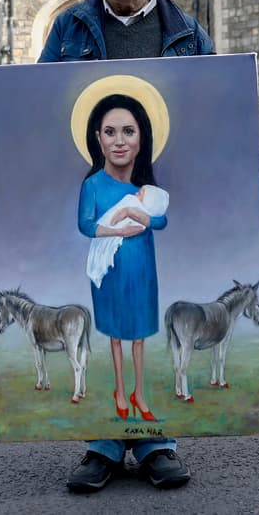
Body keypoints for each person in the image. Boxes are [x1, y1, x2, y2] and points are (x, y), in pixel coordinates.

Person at [39, 0, 210, 493]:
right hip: (108, 261)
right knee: (113, 333)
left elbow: (209, 115)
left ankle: (158, 440)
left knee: (144, 332)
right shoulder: (68, 29)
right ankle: (104, 442)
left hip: (148, 257)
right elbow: (39, 105)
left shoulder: (187, 33)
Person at [78, 95, 167, 423]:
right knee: (116, 334)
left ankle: (138, 393)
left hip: (142, 269)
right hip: (110, 271)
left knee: (139, 334)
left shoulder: (145, 189)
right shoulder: (93, 186)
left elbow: (161, 220)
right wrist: (113, 232)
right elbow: (84, 224)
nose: (119, 140)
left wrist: (137, 215)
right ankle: (119, 390)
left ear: (141, 138)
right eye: (110, 131)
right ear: (97, 139)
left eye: (128, 131)